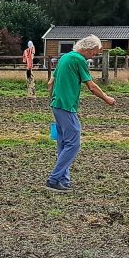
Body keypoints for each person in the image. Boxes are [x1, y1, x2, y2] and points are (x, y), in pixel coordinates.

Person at [46, 35, 115, 193]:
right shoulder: (79, 60)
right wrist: (106, 98)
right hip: (66, 106)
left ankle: (64, 180)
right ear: (87, 49)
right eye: (94, 53)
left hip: (57, 105)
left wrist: (54, 99)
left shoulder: (64, 57)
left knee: (63, 143)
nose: (94, 56)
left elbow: (51, 82)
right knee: (74, 143)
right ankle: (54, 179)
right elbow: (91, 86)